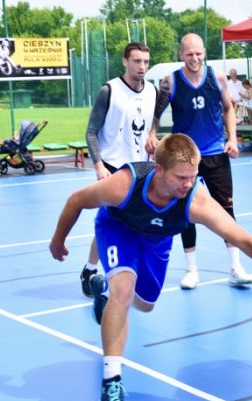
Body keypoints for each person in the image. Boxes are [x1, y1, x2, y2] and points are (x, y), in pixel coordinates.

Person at [49, 133, 252, 401]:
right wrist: (58, 240)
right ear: (158, 170)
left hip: (157, 238)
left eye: (193, 176)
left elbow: (243, 239)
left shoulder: (196, 200)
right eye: (181, 177)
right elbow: (76, 200)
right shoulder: (125, 184)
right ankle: (112, 383)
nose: (188, 184)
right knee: (123, 290)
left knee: (145, 303)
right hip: (118, 229)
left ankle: (103, 291)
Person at [148, 33, 252, 290]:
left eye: (198, 54)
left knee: (226, 210)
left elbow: (228, 108)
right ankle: (192, 269)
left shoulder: (216, 78)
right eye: (189, 54)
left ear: (204, 52)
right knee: (186, 212)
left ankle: (235, 267)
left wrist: (232, 139)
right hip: (184, 158)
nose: (194, 58)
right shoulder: (170, 82)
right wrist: (152, 133)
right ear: (181, 54)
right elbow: (156, 113)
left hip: (216, 152)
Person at [79, 42, 157, 298]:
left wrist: (153, 135)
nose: (141, 67)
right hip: (113, 167)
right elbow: (91, 131)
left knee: (132, 222)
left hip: (142, 167)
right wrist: (99, 166)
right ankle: (94, 270)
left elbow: (152, 119)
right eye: (136, 61)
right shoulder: (109, 91)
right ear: (125, 61)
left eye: (145, 62)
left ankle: (105, 270)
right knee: (112, 220)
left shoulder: (153, 92)